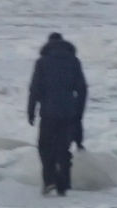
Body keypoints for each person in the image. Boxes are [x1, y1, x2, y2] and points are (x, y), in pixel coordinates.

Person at [26, 32, 87, 197]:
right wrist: (78, 112)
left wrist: (31, 110)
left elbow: (35, 88)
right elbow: (82, 89)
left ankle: (49, 180)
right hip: (68, 111)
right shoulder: (74, 62)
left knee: (45, 147)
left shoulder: (42, 62)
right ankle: (63, 184)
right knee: (64, 148)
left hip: (48, 112)